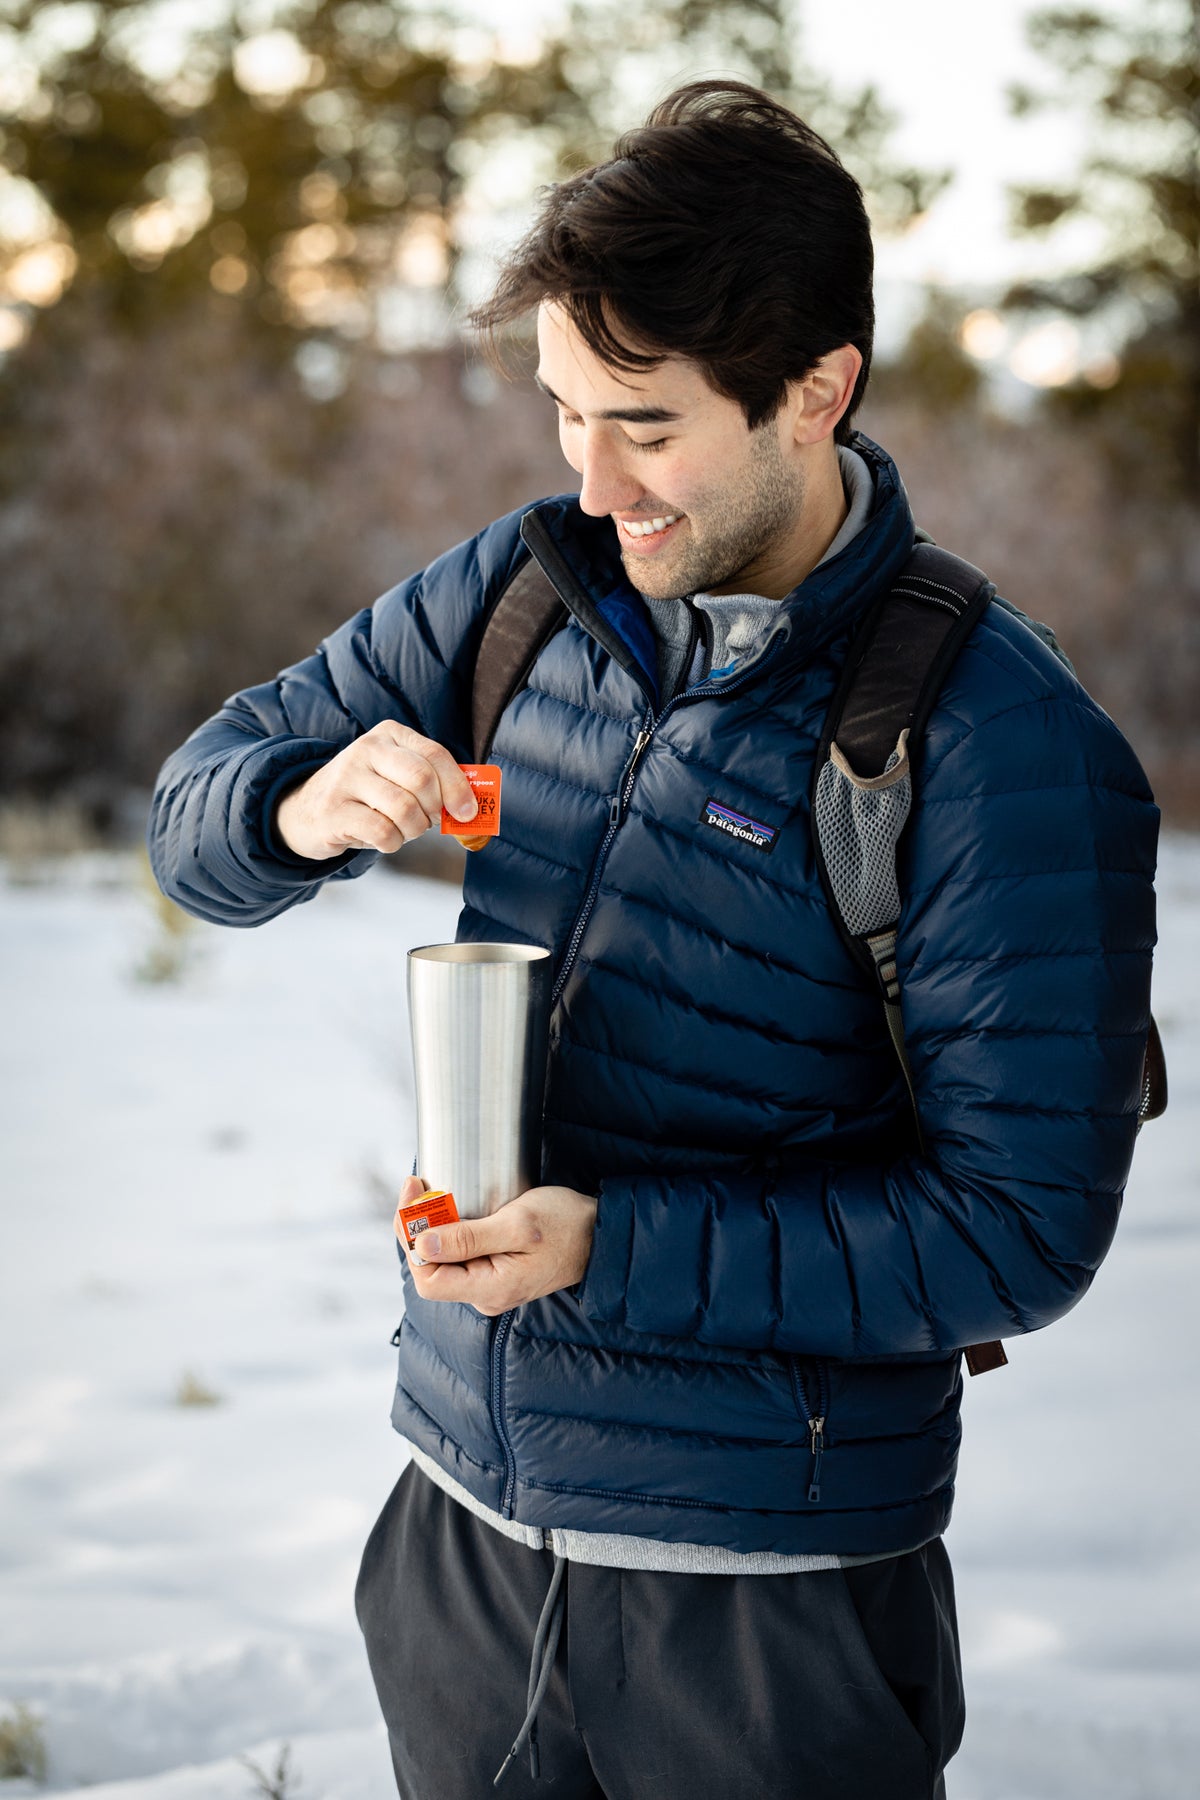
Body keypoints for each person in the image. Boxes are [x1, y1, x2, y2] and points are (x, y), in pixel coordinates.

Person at [148, 80, 1158, 1800]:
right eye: (559, 411)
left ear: (815, 391)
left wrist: (604, 1248)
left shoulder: (997, 738)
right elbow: (197, 812)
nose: (592, 476)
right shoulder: (523, 589)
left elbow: (1016, 1233)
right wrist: (292, 809)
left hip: (769, 1607)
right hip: (462, 1537)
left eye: (646, 425)